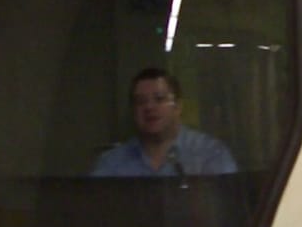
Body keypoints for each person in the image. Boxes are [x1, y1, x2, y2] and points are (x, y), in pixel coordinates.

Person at [91, 67, 236, 176]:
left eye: (159, 99)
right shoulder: (112, 163)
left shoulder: (210, 153)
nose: (149, 107)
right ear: (133, 110)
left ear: (178, 106)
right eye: (141, 101)